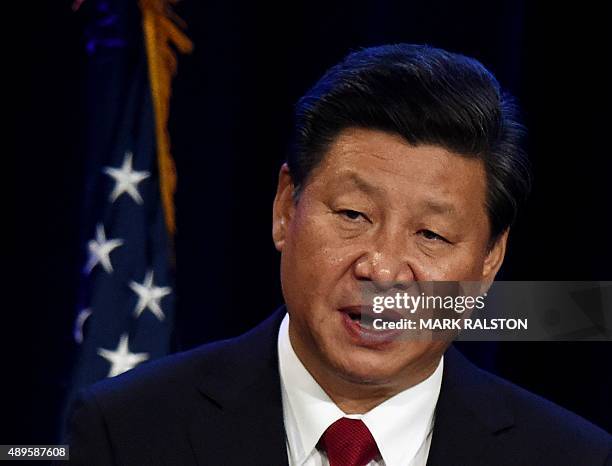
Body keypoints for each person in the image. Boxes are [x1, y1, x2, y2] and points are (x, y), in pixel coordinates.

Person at [65, 44, 611, 465]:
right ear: (285, 208)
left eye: (432, 236)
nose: (382, 268)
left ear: (490, 260)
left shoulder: (572, 457)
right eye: (354, 216)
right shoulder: (127, 430)